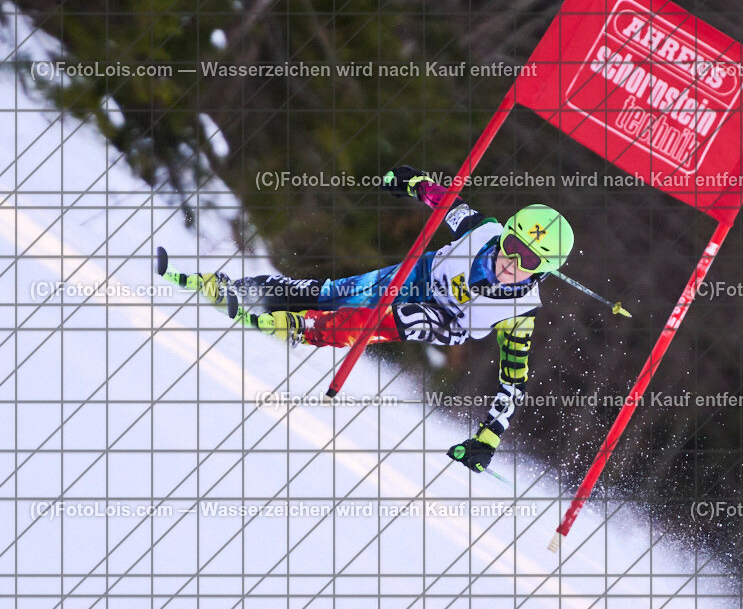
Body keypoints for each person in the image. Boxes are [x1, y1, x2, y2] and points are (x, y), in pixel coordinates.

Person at [188, 165, 574, 473]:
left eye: (529, 260)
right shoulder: (482, 230)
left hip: (443, 319)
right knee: (330, 293)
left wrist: (488, 438)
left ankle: (306, 329)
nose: (511, 262)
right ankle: (245, 290)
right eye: (512, 245)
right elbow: (443, 200)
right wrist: (411, 181)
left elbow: (513, 382)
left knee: (387, 319)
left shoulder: (520, 313)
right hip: (415, 276)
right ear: (505, 234)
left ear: (543, 270)